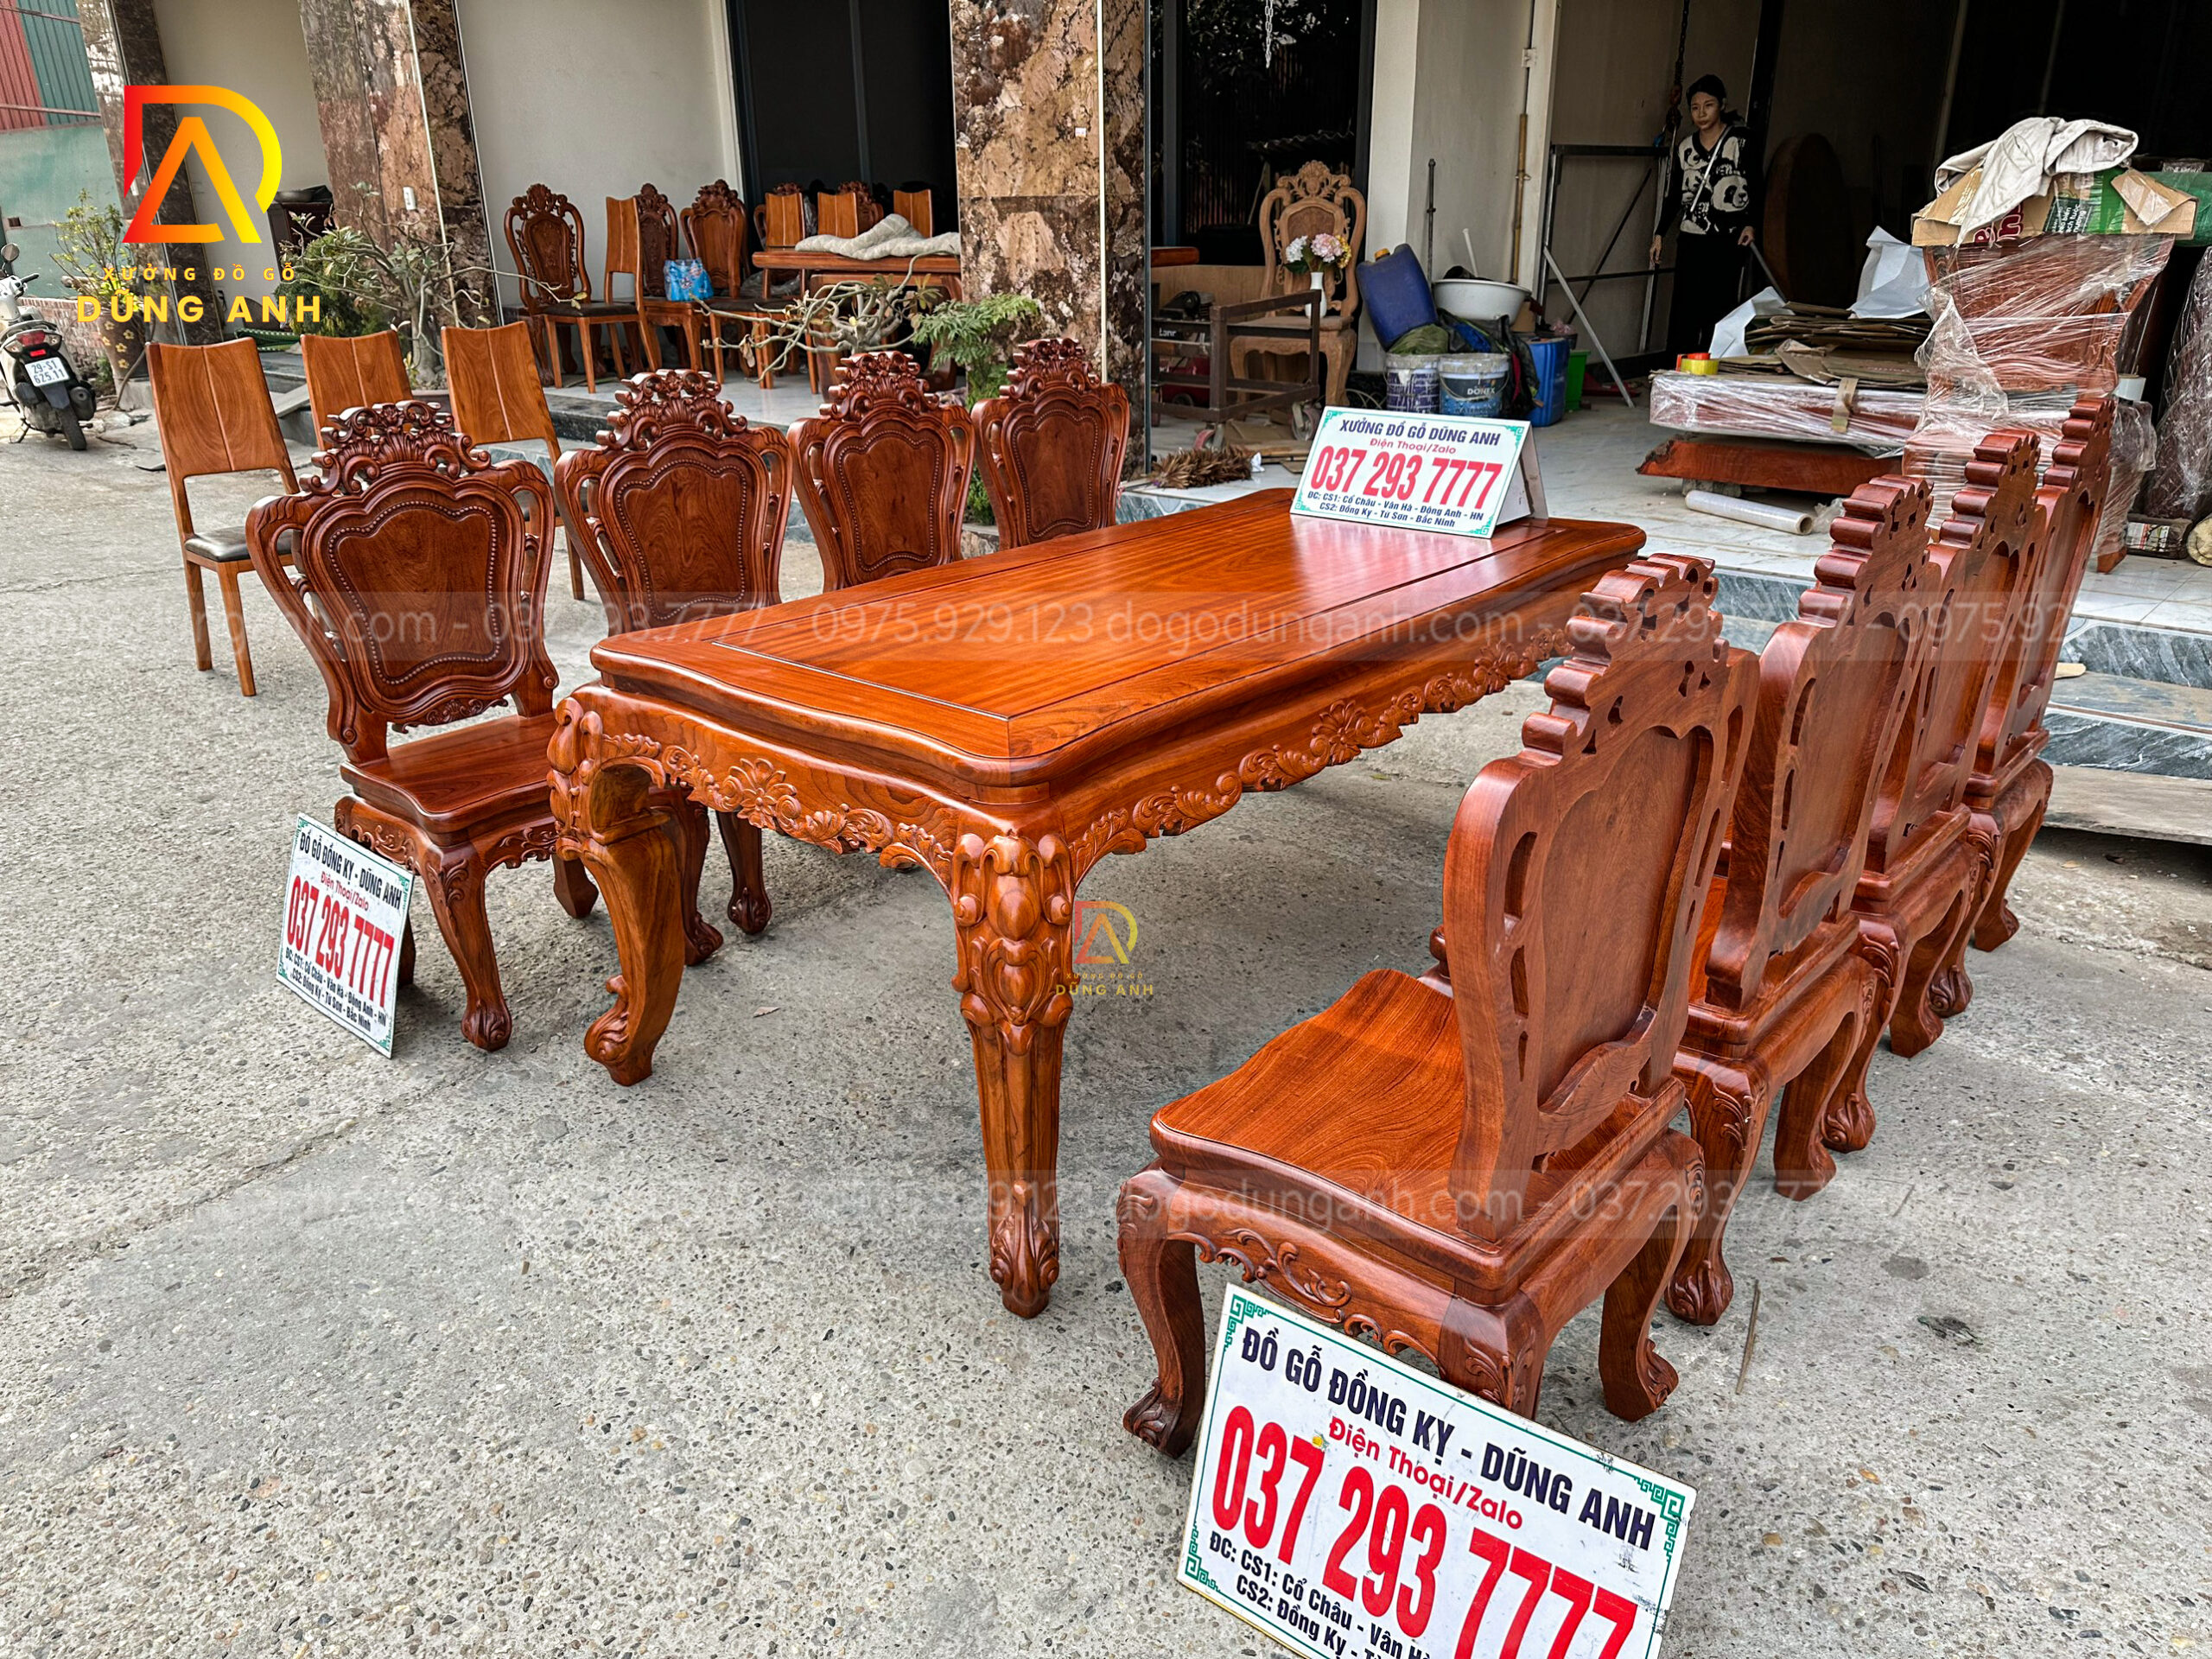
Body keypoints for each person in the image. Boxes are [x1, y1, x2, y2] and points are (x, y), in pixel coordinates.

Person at [1649, 74, 1758, 359]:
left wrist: (1750, 223)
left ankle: (1713, 365)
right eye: (1695, 107)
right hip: (1692, 238)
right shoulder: (1685, 148)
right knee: (1685, 306)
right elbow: (1674, 195)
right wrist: (1660, 233)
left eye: (1708, 106)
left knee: (1719, 305)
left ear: (1722, 105)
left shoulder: (1740, 142)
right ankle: (1681, 367)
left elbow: (1756, 184)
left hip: (1727, 239)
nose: (1701, 113)